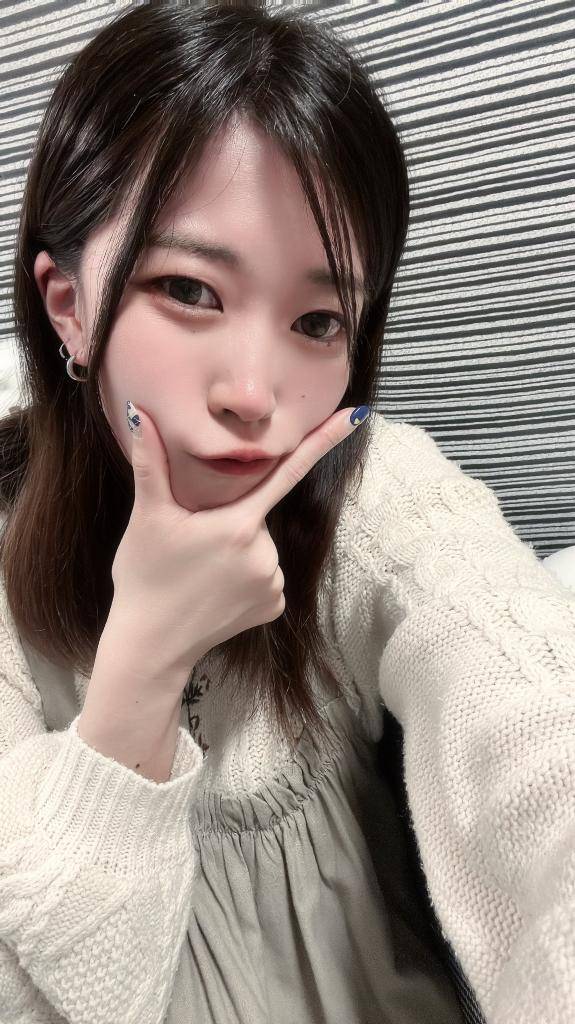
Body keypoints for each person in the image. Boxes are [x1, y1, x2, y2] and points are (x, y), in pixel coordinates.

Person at [0, 2, 573, 1022]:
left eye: (316, 320)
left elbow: (531, 728)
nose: (254, 394)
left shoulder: (374, 495)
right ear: (69, 306)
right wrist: (143, 662)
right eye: (189, 290)